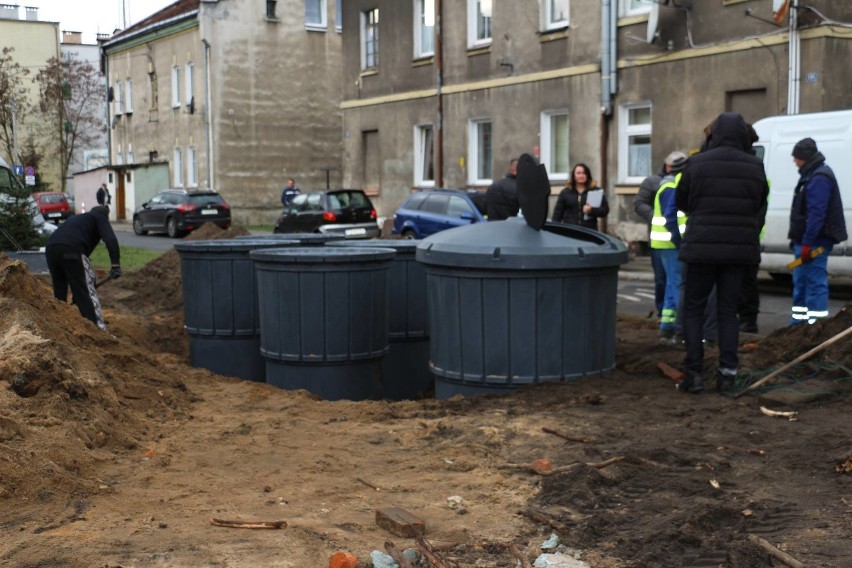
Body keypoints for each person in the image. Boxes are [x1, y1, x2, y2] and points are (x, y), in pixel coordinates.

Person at [675, 112, 769, 394]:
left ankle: (693, 374)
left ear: (714, 135)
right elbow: (758, 204)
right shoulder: (755, 166)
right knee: (729, 312)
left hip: (701, 247)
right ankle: (727, 375)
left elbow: (682, 202)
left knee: (694, 308)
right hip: (738, 251)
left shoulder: (696, 163)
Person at [788, 137, 847, 325]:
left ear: (804, 158)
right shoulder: (813, 174)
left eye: (796, 157)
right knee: (802, 282)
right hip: (807, 242)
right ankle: (798, 326)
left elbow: (816, 214)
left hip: (815, 243)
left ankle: (815, 327)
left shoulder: (818, 177)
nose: (794, 161)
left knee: (813, 283)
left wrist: (806, 242)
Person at [45, 205, 122, 331]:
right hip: (71, 249)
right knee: (86, 292)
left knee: (59, 293)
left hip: (51, 249)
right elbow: (111, 239)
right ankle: (97, 331)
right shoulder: (99, 217)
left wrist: (79, 288)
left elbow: (83, 268)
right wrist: (115, 265)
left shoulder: (79, 219)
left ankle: (60, 329)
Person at [649, 151, 688, 342]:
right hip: (671, 243)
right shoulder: (672, 187)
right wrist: (680, 242)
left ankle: (667, 324)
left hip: (664, 242)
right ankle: (670, 327)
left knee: (672, 283)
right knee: (676, 283)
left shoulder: (666, 185)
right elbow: (671, 217)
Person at [634, 161, 668, 317]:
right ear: (667, 166)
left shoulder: (684, 181)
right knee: (661, 278)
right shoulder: (652, 182)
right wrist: (655, 215)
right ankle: (662, 311)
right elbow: (639, 203)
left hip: (680, 240)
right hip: (659, 240)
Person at [552, 163, 609, 230]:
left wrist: (591, 210)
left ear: (587, 175)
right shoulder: (565, 192)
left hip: (590, 231)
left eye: (584, 173)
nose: (581, 175)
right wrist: (555, 230)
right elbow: (557, 215)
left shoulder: (596, 191)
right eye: (578, 173)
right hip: (570, 231)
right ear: (574, 175)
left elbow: (605, 210)